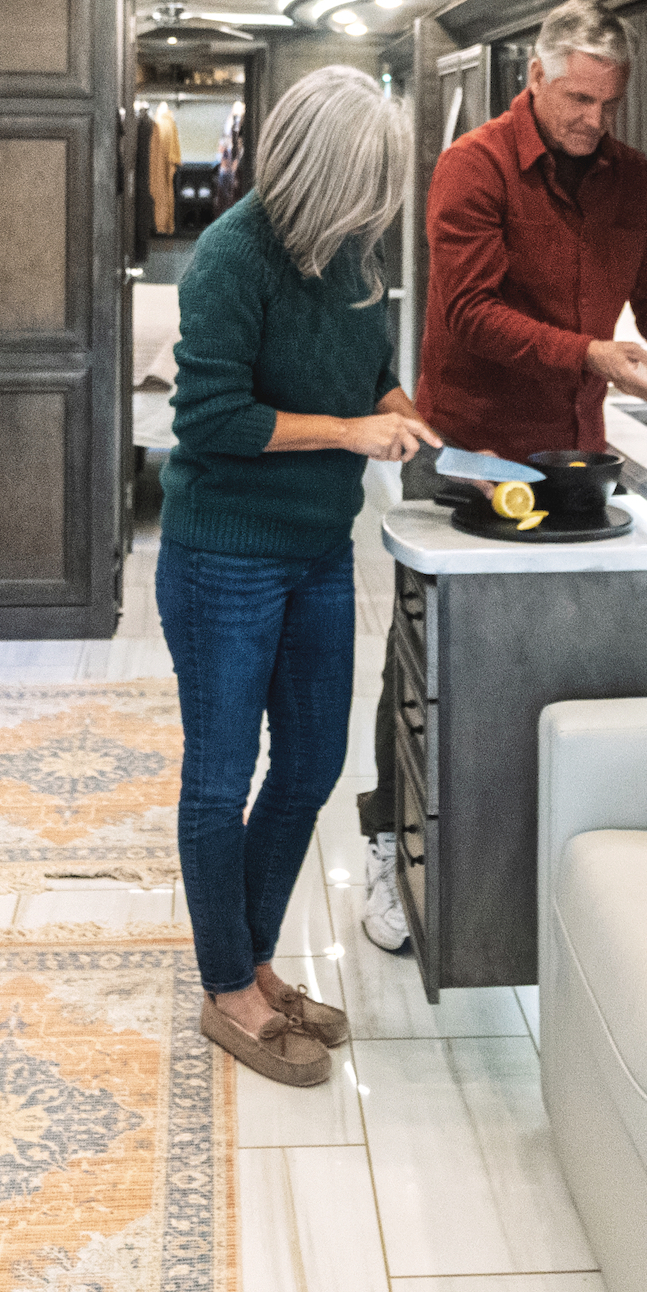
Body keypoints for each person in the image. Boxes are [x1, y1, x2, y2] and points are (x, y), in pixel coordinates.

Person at [365, 0, 647, 953]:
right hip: (467, 453)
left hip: (575, 457)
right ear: (533, 76)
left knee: (541, 663)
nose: (588, 121)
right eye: (574, 99)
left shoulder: (632, 179)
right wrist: (591, 355)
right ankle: (389, 850)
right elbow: (471, 313)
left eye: (606, 104)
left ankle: (521, 863)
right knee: (426, 658)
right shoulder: (471, 168)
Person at [160, 65, 437, 1085]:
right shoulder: (233, 258)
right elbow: (209, 420)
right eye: (365, 183)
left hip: (319, 544)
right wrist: (348, 432)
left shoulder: (352, 254)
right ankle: (227, 984)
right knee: (218, 778)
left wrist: (397, 403)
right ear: (323, 175)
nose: (380, 206)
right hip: (224, 555)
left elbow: (367, 371)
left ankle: (257, 961)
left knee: (313, 761)